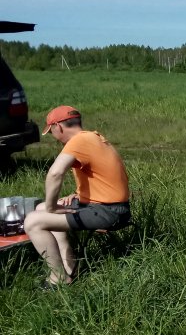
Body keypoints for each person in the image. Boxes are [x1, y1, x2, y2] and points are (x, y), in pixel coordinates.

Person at [24, 106, 131, 289]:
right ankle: (70, 266)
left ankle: (58, 277)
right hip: (110, 206)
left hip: (108, 211)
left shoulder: (79, 140)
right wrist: (78, 195)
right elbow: (103, 178)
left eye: (52, 132)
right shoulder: (92, 138)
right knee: (41, 208)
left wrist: (52, 207)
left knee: (33, 222)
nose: (54, 137)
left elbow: (55, 173)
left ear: (58, 126)